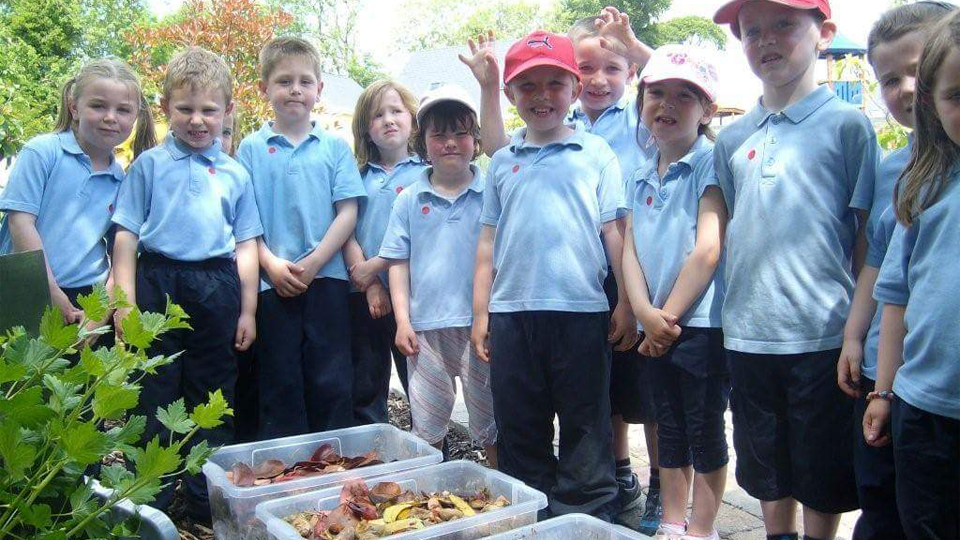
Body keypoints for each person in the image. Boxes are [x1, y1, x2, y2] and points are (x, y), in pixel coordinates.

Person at [459, 14, 661, 529]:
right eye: (527, 84)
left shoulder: (594, 153)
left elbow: (614, 232)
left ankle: (588, 512)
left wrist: (624, 303)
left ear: (574, 88)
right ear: (511, 93)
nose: (541, 94)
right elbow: (487, 242)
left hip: (581, 313)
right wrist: (480, 312)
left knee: (586, 423)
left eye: (554, 82)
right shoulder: (504, 162)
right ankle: (532, 511)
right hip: (512, 316)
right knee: (521, 424)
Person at [711, 0, 880, 538]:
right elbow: (737, 225)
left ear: (823, 33)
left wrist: (859, 330)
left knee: (822, 466)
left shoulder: (848, 126)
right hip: (749, 334)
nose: (766, 40)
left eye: (784, 24)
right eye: (751, 30)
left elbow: (865, 240)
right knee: (764, 465)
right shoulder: (733, 139)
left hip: (823, 332)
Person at [111, 47, 262, 520]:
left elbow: (247, 245)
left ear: (227, 112)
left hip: (217, 286)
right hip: (158, 278)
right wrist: (124, 304)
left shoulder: (236, 173)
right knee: (153, 389)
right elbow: (125, 237)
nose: (198, 120)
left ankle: (205, 501)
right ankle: (147, 502)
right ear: (165, 108)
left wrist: (248, 310)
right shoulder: (149, 166)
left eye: (209, 110)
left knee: (212, 393)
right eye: (186, 109)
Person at [837, 3, 957, 539]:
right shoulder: (897, 171)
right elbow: (881, 270)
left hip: (933, 387)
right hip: (901, 382)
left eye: (919, 69)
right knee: (886, 503)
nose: (906, 89)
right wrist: (854, 338)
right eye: (889, 79)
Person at [618, 43, 728, 540]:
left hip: (699, 324)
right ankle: (671, 521)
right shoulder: (640, 174)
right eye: (656, 93)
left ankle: (701, 528)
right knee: (670, 428)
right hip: (656, 325)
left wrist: (667, 318)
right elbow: (630, 251)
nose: (666, 104)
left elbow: (707, 249)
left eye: (685, 95)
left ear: (706, 109)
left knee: (704, 433)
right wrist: (644, 311)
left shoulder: (710, 163)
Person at [236, 36, 364, 439]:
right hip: (272, 284)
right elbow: (245, 221)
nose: (295, 90)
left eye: (305, 81)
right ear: (264, 88)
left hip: (326, 281)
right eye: (284, 81)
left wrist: (315, 261)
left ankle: (334, 469)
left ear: (319, 90)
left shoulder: (334, 147)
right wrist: (271, 264)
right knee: (280, 379)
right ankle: (286, 474)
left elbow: (347, 211)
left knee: (331, 379)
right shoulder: (251, 149)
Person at [379, 85, 497, 466]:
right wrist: (402, 321)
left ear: (476, 140)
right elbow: (397, 263)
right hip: (426, 330)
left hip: (479, 329)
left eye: (460, 132)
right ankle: (430, 497)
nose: (450, 142)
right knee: (427, 426)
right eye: (438, 134)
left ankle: (506, 489)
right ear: (422, 143)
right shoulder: (409, 199)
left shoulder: (491, 192)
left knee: (492, 421)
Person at [0, 59, 155, 324]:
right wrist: (49, 290)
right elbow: (20, 222)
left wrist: (100, 313)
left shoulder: (121, 179)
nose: (110, 117)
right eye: (98, 106)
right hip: (27, 288)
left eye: (123, 110)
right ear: (74, 107)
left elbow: (119, 250)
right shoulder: (43, 153)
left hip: (86, 300)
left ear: (135, 117)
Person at [343, 80, 426, 425]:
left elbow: (421, 238)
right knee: (366, 382)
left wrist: (381, 272)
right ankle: (370, 455)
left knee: (420, 382)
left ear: (412, 119)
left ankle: (434, 452)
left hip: (412, 293)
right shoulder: (355, 176)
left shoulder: (427, 173)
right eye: (378, 115)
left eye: (396, 111)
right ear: (366, 129)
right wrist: (370, 283)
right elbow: (346, 231)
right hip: (364, 297)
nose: (389, 120)